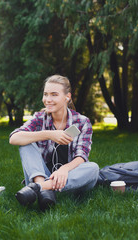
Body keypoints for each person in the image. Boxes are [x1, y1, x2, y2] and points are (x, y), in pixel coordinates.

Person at [9, 75, 99, 211]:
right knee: (26, 142)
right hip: (43, 174)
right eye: (45, 94)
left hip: (71, 180)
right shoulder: (40, 118)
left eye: (54, 95)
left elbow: (82, 156)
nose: (48, 100)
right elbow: (13, 138)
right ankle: (43, 186)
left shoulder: (82, 122)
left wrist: (64, 169)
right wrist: (49, 134)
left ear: (67, 97)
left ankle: (39, 188)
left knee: (93, 168)